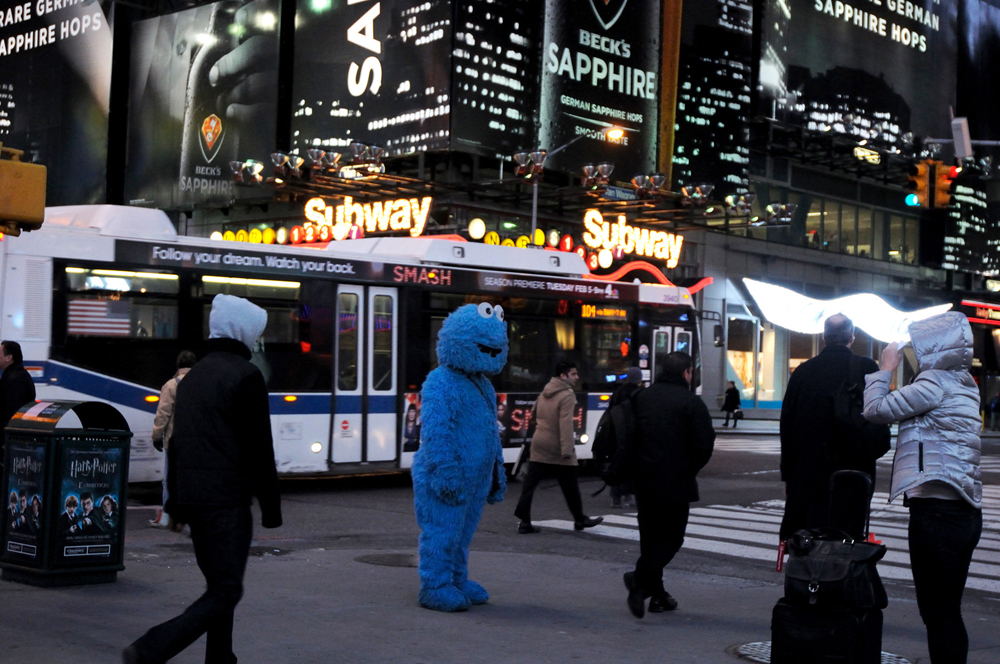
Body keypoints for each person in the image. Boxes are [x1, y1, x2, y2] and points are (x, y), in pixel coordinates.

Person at [123, 294, 282, 664]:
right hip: (226, 502)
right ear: (243, 334)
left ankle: (221, 658)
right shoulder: (246, 376)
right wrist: (271, 508)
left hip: (194, 500)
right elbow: (259, 447)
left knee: (217, 587)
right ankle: (152, 646)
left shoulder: (192, 378)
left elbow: (178, 444)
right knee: (226, 591)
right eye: (256, 335)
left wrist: (174, 503)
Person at [863, 312, 982, 664]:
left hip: (936, 514)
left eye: (918, 346)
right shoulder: (965, 384)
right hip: (964, 513)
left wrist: (886, 367)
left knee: (937, 614)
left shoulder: (933, 382)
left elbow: (874, 409)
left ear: (933, 348)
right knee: (948, 611)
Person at [778, 313, 890, 540]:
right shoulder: (865, 367)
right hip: (853, 472)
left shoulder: (803, 371)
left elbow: (787, 425)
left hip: (808, 473)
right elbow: (877, 417)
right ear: (852, 336)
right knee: (846, 538)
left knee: (810, 537)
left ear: (824, 337)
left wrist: (788, 475)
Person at [623, 352, 715, 618]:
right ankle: (638, 581)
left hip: (642, 479)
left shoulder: (642, 397)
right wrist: (689, 469)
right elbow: (703, 446)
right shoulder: (691, 403)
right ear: (686, 373)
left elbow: (629, 436)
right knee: (672, 537)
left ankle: (658, 595)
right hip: (676, 480)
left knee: (650, 537)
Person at [514, 361, 603, 534]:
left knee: (530, 485)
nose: (577, 378)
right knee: (570, 484)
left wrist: (543, 426)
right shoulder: (567, 395)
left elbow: (532, 414)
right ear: (563, 376)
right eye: (573, 374)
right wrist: (568, 450)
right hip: (557, 444)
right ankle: (580, 519)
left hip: (539, 442)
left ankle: (524, 521)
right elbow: (566, 424)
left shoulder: (546, 389)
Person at [150, 350, 198, 530]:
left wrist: (156, 437)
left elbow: (163, 415)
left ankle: (168, 516)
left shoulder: (170, 385)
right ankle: (191, 518)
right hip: (196, 441)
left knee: (169, 479)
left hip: (175, 440)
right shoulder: (201, 384)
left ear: (178, 365)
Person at [0, 340, 37, 470]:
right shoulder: (16, 375)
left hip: (10, 440)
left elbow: (10, 411)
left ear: (9, 357)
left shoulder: (15, 379)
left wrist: (5, 440)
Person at [610, 368, 642, 509]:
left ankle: (616, 497)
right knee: (633, 466)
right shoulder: (639, 393)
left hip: (617, 433)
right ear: (639, 379)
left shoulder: (617, 392)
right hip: (632, 434)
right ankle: (629, 494)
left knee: (618, 464)